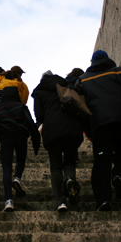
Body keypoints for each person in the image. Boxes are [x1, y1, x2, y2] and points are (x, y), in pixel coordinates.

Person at [75, 50, 121, 211]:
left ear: (92, 62)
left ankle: (103, 199)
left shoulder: (83, 80)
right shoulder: (120, 71)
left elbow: (77, 106)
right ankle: (118, 174)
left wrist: (88, 131)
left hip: (99, 122)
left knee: (102, 159)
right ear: (108, 59)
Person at [32, 71, 85, 212]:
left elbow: (40, 115)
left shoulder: (39, 92)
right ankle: (69, 180)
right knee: (69, 161)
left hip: (52, 130)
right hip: (71, 127)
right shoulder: (65, 85)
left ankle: (61, 202)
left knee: (55, 166)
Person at [0, 87, 40, 212]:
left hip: (6, 138)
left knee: (6, 168)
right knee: (21, 160)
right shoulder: (21, 107)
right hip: (21, 137)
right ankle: (17, 178)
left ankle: (8, 200)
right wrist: (36, 144)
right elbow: (31, 124)